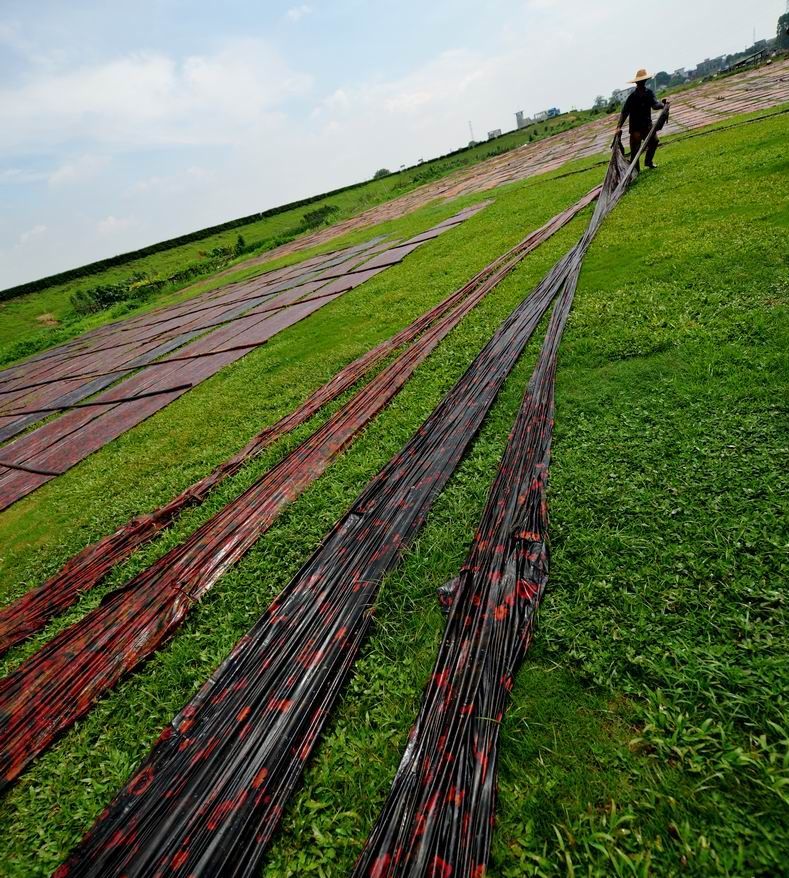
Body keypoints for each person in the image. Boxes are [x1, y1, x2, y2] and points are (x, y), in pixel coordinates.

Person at [615, 68, 670, 168]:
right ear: (637, 83)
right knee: (635, 151)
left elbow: (654, 105)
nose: (641, 83)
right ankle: (635, 169)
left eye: (643, 81)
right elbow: (624, 112)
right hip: (635, 128)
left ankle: (648, 161)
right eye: (640, 82)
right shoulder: (632, 97)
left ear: (645, 81)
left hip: (647, 125)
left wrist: (663, 105)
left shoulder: (649, 93)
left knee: (654, 142)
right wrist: (618, 127)